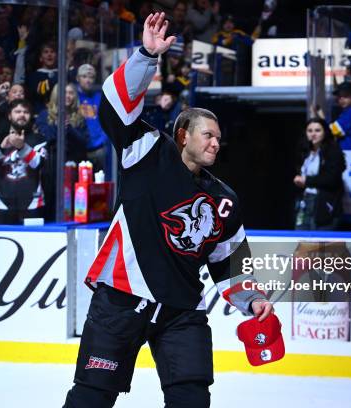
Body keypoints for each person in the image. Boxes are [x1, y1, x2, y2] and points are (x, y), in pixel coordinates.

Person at [62, 13, 273, 408]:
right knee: (91, 397)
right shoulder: (147, 151)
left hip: (181, 309)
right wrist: (145, 55)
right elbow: (114, 105)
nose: (215, 143)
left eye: (219, 139)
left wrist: (253, 299)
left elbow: (228, 261)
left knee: (192, 399)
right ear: (183, 135)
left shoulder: (224, 199)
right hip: (121, 298)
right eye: (208, 135)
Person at [0, 99, 47, 224]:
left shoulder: (39, 139)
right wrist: (1, 149)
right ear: (9, 115)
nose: (22, 115)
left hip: (32, 203)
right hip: (0, 203)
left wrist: (22, 147)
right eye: (17, 111)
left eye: (26, 112)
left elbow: (39, 164)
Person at [293, 118, 346, 231]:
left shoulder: (333, 151)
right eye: (310, 131)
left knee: (321, 245)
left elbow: (332, 178)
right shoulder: (305, 151)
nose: (313, 134)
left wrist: (307, 181)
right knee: (300, 240)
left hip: (324, 204)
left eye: (317, 130)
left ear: (325, 132)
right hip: (305, 201)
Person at [76, 64, 109, 171]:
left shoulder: (99, 96)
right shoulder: (73, 96)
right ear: (78, 78)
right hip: (80, 148)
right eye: (84, 76)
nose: (88, 80)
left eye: (91, 77)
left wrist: (104, 139)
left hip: (99, 147)